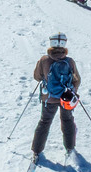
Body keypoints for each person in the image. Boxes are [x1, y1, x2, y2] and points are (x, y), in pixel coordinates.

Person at [30, 33, 80, 161]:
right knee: (68, 121)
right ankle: (69, 148)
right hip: (66, 99)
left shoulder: (44, 60)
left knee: (45, 122)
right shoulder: (69, 61)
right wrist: (72, 92)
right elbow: (77, 79)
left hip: (49, 98)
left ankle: (36, 151)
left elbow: (37, 77)